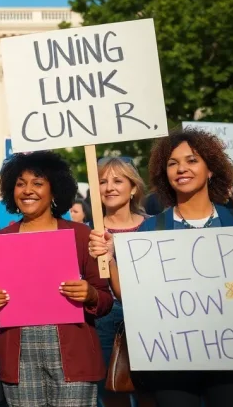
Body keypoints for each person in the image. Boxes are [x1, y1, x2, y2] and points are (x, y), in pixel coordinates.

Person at [90, 128, 233, 407]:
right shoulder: (151, 228)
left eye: (192, 160)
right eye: (173, 163)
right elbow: (128, 294)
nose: (181, 169)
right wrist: (112, 257)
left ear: (211, 170)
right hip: (173, 364)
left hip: (232, 361)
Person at [0, 151, 113, 407]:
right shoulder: (0, 239)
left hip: (73, 356)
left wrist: (90, 294)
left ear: (55, 190)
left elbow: (105, 300)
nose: (27, 190)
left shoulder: (80, 234)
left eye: (37, 183)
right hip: (19, 358)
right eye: (20, 183)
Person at [93, 157, 147, 407]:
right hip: (104, 320)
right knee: (113, 392)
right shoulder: (88, 231)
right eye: (102, 181)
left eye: (117, 180)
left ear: (133, 187)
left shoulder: (154, 227)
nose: (109, 187)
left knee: (151, 393)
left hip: (150, 317)